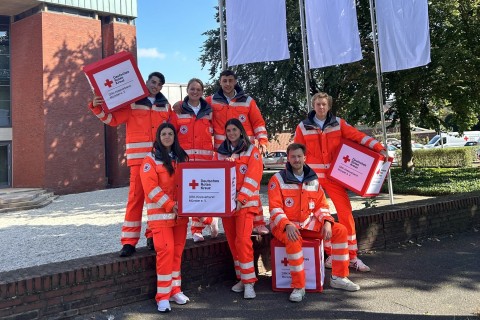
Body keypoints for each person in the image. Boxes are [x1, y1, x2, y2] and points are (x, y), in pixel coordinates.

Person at [294, 92, 388, 272]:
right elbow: (296, 152)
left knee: (346, 214)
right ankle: (330, 254)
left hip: (334, 177)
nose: (321, 107)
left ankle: (352, 257)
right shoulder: (303, 127)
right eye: (318, 104)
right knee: (320, 216)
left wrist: (379, 148)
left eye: (324, 104)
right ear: (313, 106)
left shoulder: (339, 123)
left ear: (328, 106)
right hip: (313, 180)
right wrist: (291, 175)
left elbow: (358, 136)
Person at [88, 71, 170, 257]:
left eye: (159, 84)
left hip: (159, 161)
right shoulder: (132, 103)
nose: (155, 86)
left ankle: (153, 236)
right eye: (153, 82)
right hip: (139, 161)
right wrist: (96, 107)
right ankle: (129, 242)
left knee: (156, 201)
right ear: (146, 82)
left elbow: (170, 131)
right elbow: (112, 119)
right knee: (135, 200)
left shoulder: (165, 106)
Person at [268, 143, 360, 302]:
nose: (296, 159)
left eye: (299, 156)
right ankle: (299, 286)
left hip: (306, 223)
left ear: (305, 158)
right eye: (293, 157)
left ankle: (339, 277)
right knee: (293, 239)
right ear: (288, 159)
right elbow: (275, 208)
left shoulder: (313, 179)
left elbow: (321, 205)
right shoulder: (277, 179)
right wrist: (287, 225)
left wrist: (326, 221)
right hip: (284, 225)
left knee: (340, 230)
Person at [206, 70, 269, 235]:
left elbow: (258, 122)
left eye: (230, 80)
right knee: (222, 188)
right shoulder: (211, 100)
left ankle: (259, 222)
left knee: (251, 187)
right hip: (222, 151)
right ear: (220, 82)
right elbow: (194, 105)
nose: (227, 84)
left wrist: (262, 141)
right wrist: (179, 104)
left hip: (245, 149)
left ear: (235, 82)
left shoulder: (247, 101)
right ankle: (214, 221)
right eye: (224, 80)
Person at [139, 122, 190, 313]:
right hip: (161, 217)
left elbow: (189, 184)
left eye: (170, 133)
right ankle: (162, 296)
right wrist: (171, 205)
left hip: (180, 218)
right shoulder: (150, 160)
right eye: (163, 134)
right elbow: (151, 189)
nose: (167, 137)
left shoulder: (182, 157)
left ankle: (175, 290)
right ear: (158, 137)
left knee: (177, 254)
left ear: (174, 136)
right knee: (166, 253)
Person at [215, 118, 263, 299]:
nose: (232, 133)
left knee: (243, 241)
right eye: (228, 130)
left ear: (241, 131)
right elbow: (214, 177)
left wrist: (241, 200)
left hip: (245, 205)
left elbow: (253, 178)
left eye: (234, 129)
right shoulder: (220, 152)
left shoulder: (252, 151)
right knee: (233, 242)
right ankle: (242, 278)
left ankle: (250, 282)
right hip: (226, 206)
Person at [169, 78, 219, 243]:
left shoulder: (210, 111)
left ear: (202, 92)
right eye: (192, 89)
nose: (195, 92)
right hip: (186, 162)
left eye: (198, 89)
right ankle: (201, 226)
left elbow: (217, 132)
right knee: (190, 196)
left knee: (204, 196)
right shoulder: (178, 110)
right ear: (187, 90)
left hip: (206, 161)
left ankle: (204, 224)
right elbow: (171, 134)